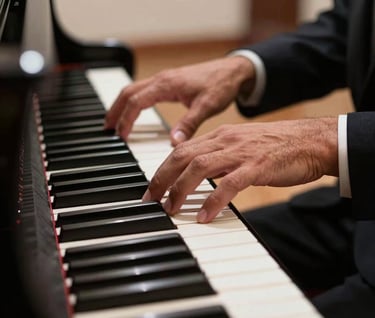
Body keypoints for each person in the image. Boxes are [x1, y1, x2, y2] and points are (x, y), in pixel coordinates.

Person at [105, 0, 375, 317]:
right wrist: (245, 66)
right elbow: (346, 26)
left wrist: (331, 140)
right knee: (168, 249)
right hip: (360, 210)